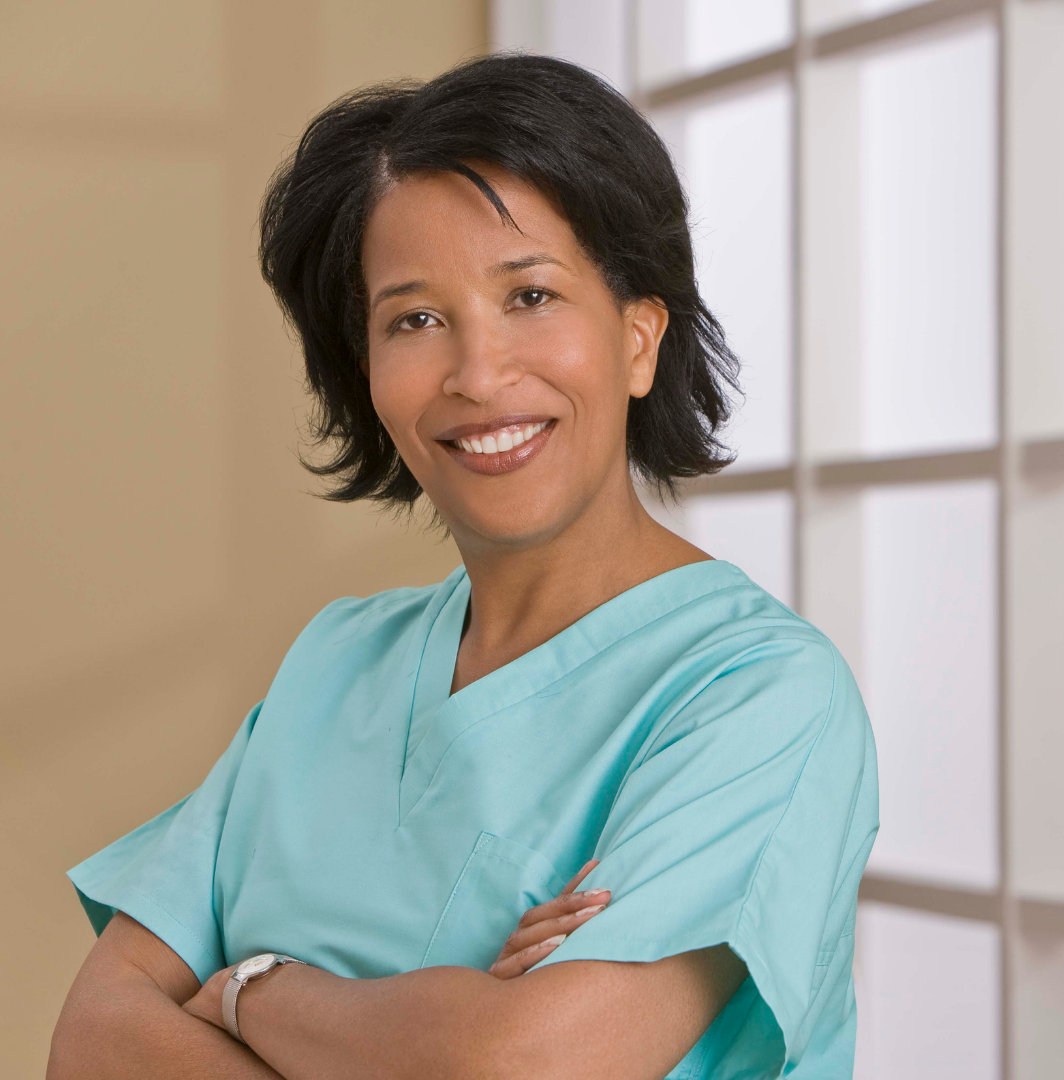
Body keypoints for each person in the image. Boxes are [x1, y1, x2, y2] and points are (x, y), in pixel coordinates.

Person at [48, 53, 878, 1080]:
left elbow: (518, 1068)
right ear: (368, 374)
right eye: (416, 319)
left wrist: (252, 990)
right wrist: (430, 1029)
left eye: (530, 294)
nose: (478, 376)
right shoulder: (335, 662)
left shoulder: (757, 699)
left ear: (637, 337)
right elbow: (94, 1039)